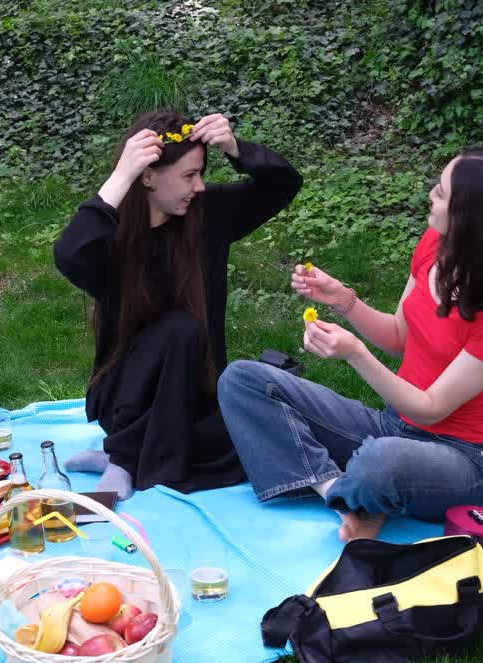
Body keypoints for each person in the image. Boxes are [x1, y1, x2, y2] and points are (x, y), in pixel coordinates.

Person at [218, 149, 483, 541]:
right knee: (243, 380)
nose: (430, 197)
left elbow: (431, 409)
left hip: (460, 460)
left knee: (380, 460)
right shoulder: (436, 247)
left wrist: (355, 353)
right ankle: (337, 490)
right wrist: (342, 299)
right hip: (393, 426)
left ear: (470, 217)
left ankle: (367, 492)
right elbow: (399, 338)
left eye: (440, 193)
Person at [54, 110, 303, 499]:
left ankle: (125, 460)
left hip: (194, 399)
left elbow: (284, 184)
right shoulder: (112, 237)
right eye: (189, 176)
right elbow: (70, 254)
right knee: (179, 329)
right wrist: (121, 177)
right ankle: (124, 456)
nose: (199, 186)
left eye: (201, 173)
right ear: (148, 177)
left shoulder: (208, 216)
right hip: (124, 401)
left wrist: (236, 148)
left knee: (254, 439)